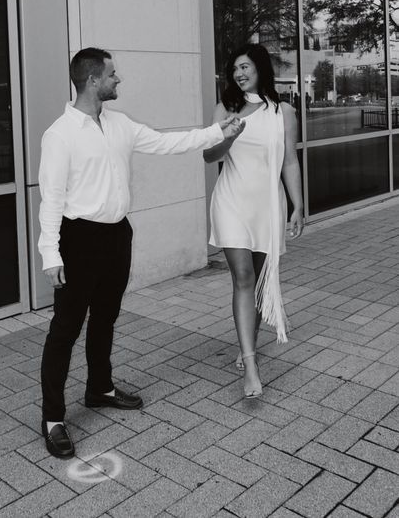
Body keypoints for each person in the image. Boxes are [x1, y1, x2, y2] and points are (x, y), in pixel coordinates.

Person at [38, 47, 245, 458]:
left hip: (118, 235)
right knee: (65, 329)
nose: (119, 80)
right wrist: (50, 254)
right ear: (93, 80)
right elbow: (51, 199)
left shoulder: (119, 124)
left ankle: (99, 388)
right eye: (113, 75)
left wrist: (218, 132)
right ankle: (53, 418)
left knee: (106, 318)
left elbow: (168, 142)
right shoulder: (60, 134)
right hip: (78, 240)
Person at [204, 44, 303, 399]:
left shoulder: (283, 111)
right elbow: (208, 156)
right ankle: (250, 364)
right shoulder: (225, 109)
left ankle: (248, 345)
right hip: (231, 201)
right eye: (234, 69)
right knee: (243, 277)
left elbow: (289, 160)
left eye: (245, 67)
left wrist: (297, 204)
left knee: (259, 280)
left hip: (266, 205)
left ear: (260, 68)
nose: (239, 74)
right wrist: (227, 136)